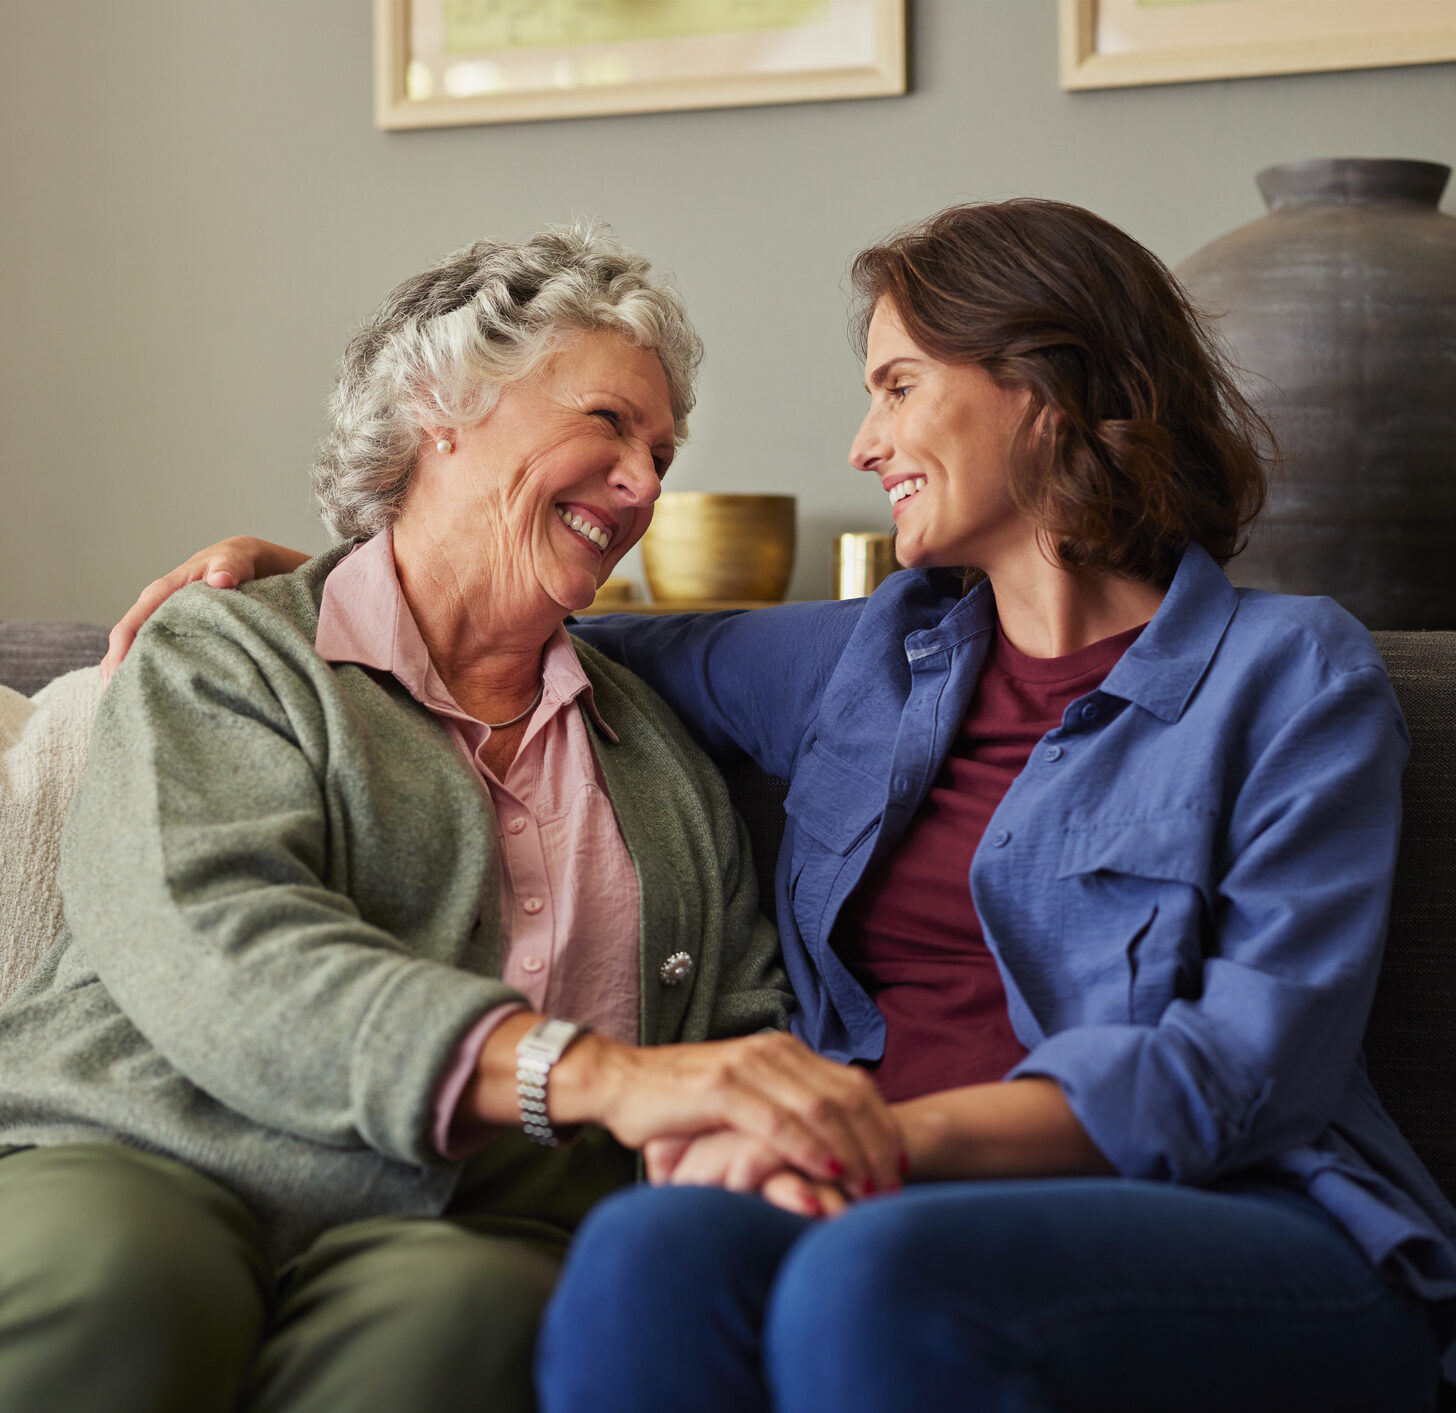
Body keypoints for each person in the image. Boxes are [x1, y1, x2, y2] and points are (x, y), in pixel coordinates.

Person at [108, 200, 1456, 1410]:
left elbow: (1246, 1067)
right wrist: (354, 577)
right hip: (861, 1196)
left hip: (1232, 1215)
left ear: (1043, 392)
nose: (864, 440)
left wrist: (879, 1140)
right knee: (645, 1246)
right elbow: (555, 635)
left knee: (872, 1276)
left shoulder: (1290, 675)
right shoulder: (866, 661)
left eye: (898, 384)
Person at [0, 224, 903, 1413]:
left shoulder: (663, 759)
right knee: (119, 1281)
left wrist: (745, 1150)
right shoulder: (232, 652)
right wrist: (580, 1072)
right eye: (608, 424)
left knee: (465, 1320)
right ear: (441, 411)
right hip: (153, 1149)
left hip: (470, 1219)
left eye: (662, 450)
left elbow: (730, 1022)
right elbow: (218, 939)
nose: (644, 484)